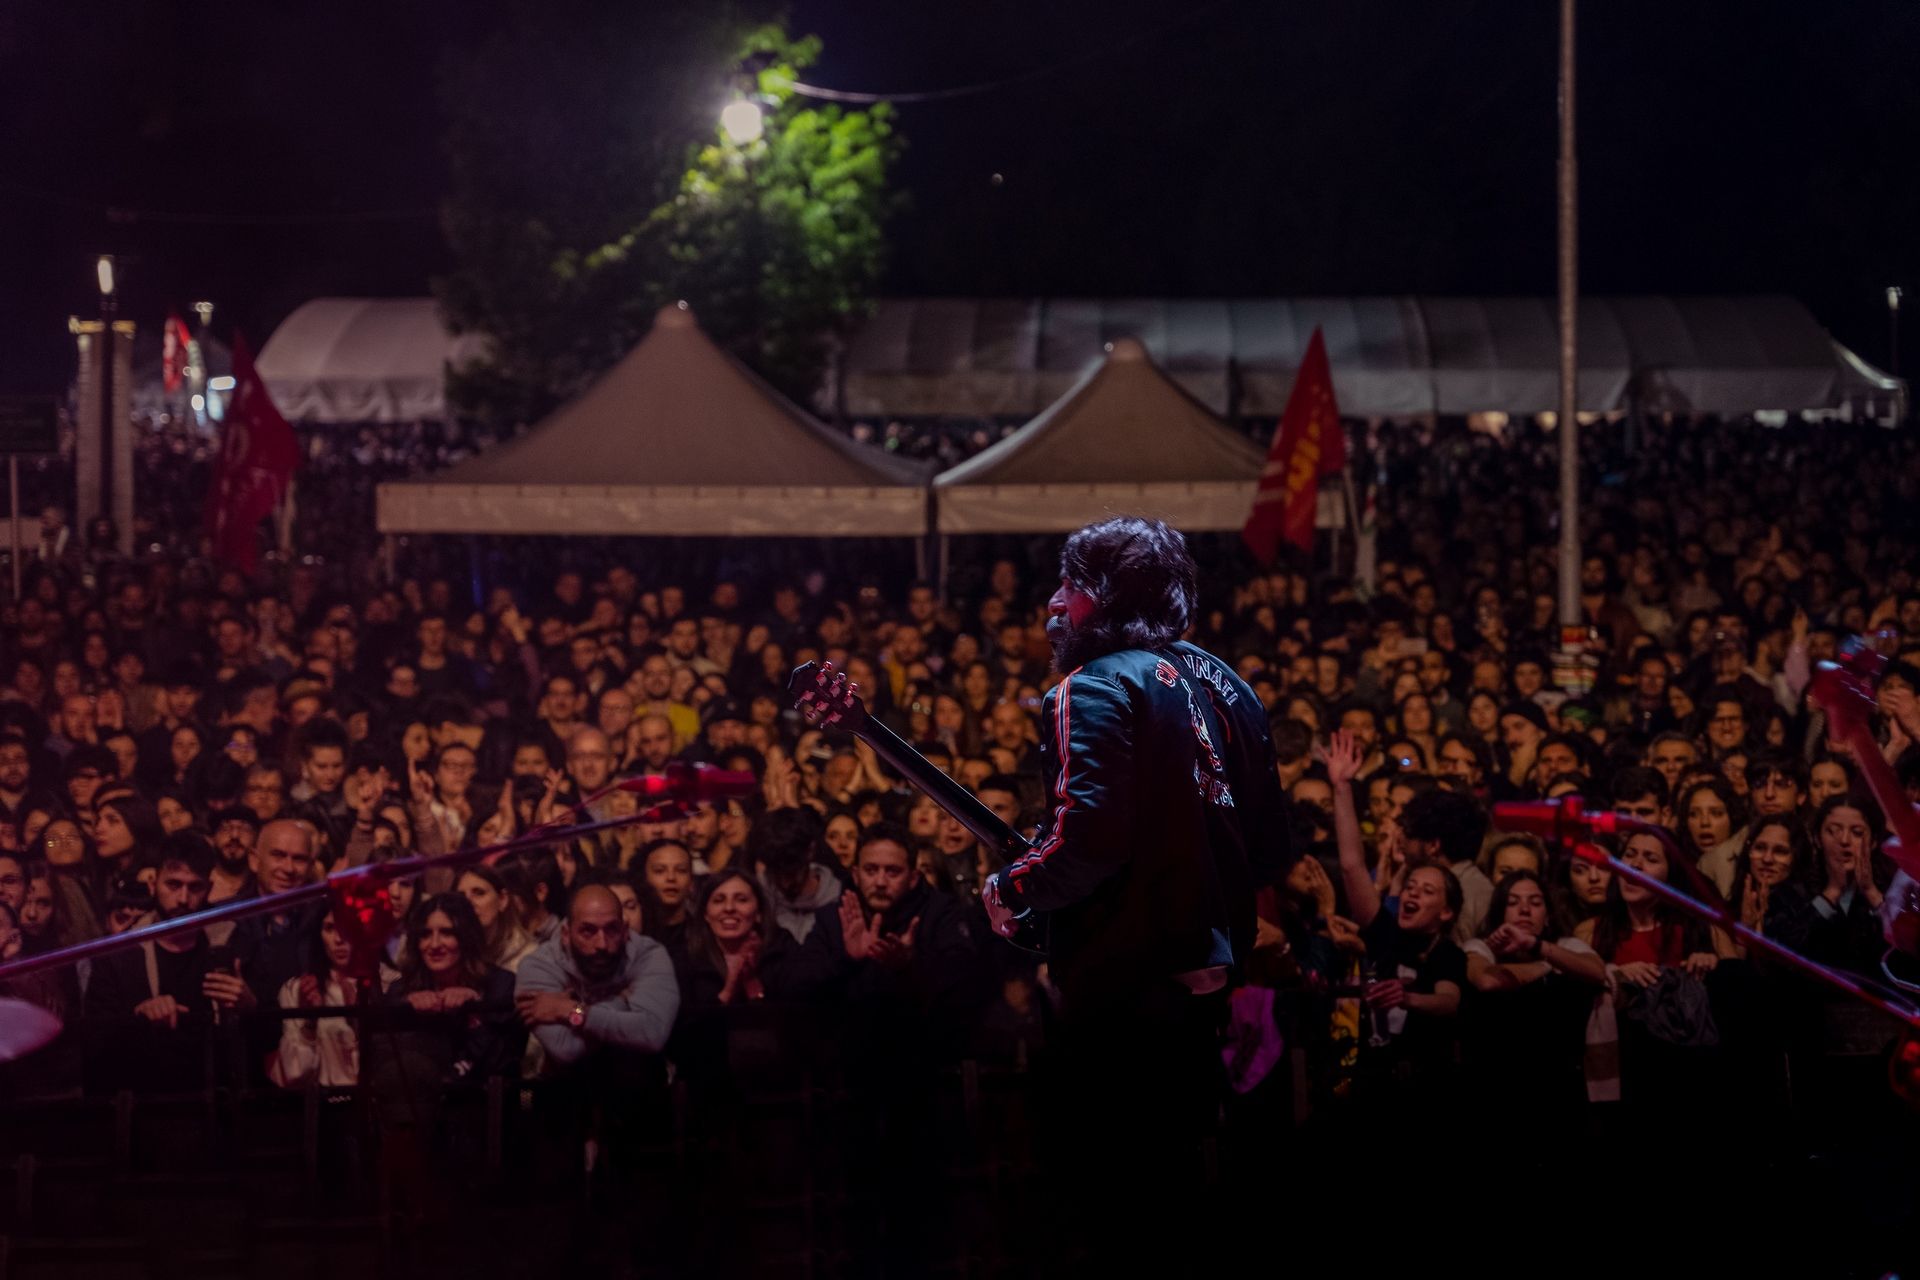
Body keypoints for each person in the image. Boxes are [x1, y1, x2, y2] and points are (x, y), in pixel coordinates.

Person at [977, 517, 1285, 1270]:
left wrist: (1011, 884)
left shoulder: (1093, 685)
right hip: (1212, 983)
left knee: (1111, 1205)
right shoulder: (1229, 685)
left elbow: (1090, 839)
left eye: (1071, 586)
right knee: (1184, 1199)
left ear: (1106, 601)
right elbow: (1271, 849)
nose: (1053, 602)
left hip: (1127, 983)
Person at [269, 913, 363, 1089]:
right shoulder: (299, 988)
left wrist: (357, 1023)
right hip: (323, 1107)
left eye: (347, 928)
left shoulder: (386, 984)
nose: (339, 939)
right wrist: (310, 1022)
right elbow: (292, 1075)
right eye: (329, 928)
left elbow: (385, 1072)